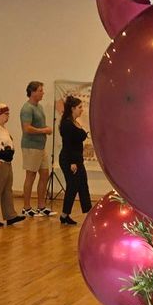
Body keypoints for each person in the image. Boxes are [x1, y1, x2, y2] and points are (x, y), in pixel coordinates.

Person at [20, 80, 53, 217]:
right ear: (32, 92)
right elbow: (26, 128)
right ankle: (26, 207)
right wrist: (44, 130)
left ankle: (41, 206)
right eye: (40, 90)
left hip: (41, 147)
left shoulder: (39, 107)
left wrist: (43, 131)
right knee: (31, 176)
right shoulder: (27, 108)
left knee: (45, 174)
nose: (42, 92)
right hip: (31, 146)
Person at [58, 93, 92, 227]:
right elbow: (68, 144)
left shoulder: (74, 122)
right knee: (73, 186)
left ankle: (88, 213)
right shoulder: (67, 124)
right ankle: (64, 215)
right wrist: (72, 163)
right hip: (69, 160)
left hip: (77, 160)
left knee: (82, 183)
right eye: (79, 107)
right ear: (72, 108)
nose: (81, 109)